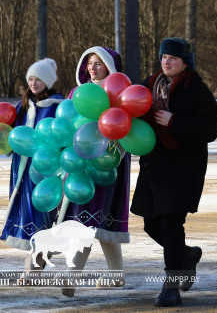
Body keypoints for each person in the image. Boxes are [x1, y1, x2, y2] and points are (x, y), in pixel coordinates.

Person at [130, 38, 217, 307]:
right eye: (163, 57)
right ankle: (187, 256)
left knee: (170, 225)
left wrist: (175, 121)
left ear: (184, 62)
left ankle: (171, 288)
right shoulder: (149, 84)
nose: (166, 62)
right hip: (153, 165)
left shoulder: (195, 88)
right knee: (150, 224)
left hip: (183, 169)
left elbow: (211, 128)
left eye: (173, 58)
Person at [59, 46, 130, 296]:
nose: (93, 67)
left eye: (99, 62)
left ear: (110, 67)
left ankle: (72, 276)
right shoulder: (76, 92)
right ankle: (115, 274)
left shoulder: (117, 91)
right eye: (90, 62)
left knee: (93, 220)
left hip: (108, 162)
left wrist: (114, 154)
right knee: (91, 219)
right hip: (79, 164)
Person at [0, 59, 64, 274]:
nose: (33, 83)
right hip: (22, 171)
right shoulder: (23, 106)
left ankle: (32, 269)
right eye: (30, 79)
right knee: (27, 215)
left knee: (41, 215)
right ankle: (34, 266)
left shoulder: (57, 107)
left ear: (47, 81)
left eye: (38, 79)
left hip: (46, 170)